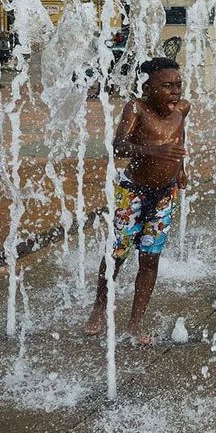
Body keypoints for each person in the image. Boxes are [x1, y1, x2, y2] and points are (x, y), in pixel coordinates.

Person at [85, 57, 189, 344]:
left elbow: (179, 140)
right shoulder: (137, 109)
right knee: (117, 253)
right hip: (133, 192)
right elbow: (119, 145)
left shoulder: (182, 109)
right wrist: (154, 152)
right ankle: (99, 308)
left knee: (150, 258)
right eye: (167, 86)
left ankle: (135, 322)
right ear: (147, 87)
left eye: (178, 85)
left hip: (165, 194)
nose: (175, 92)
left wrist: (180, 169)